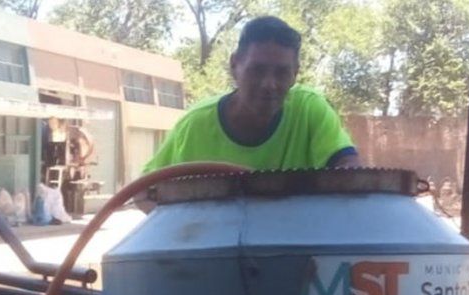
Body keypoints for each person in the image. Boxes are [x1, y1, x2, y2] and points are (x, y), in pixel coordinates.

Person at [142, 16, 360, 175]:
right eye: (257, 70)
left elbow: (349, 166)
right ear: (234, 65)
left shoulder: (311, 109)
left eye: (282, 72)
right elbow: (145, 191)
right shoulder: (194, 125)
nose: (269, 84)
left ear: (295, 74)